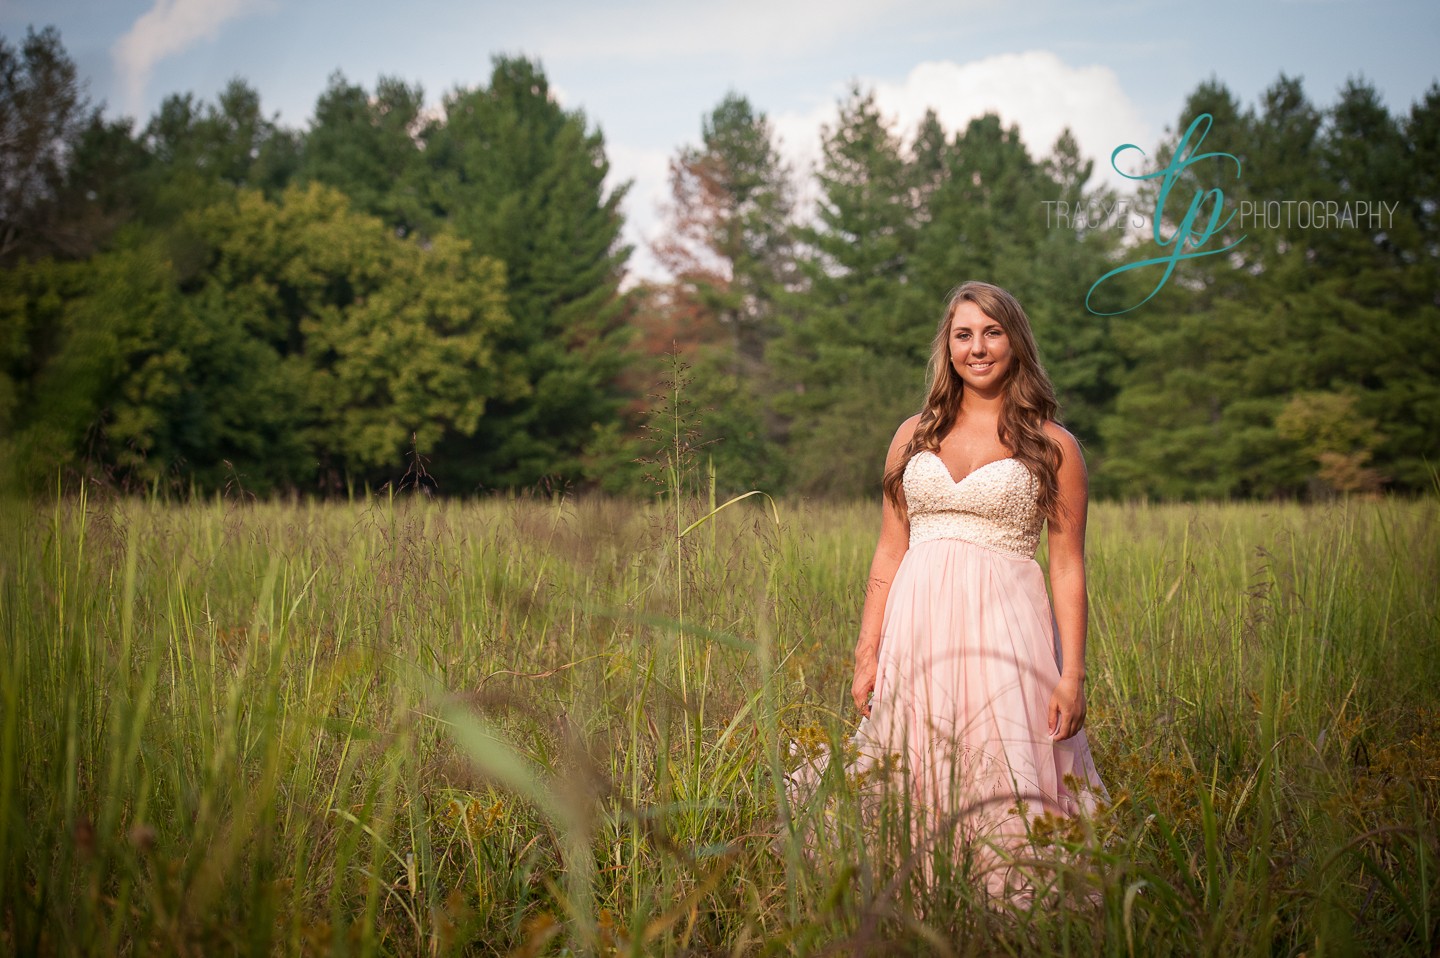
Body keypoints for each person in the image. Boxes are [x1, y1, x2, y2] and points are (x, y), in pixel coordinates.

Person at [786, 280, 1108, 901]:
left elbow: (1068, 565)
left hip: (1006, 636)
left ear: (1015, 342)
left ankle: (1012, 912)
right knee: (912, 765)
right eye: (964, 335)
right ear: (948, 346)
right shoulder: (914, 435)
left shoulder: (1053, 445)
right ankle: (918, 907)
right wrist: (866, 650)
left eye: (992, 332)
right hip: (918, 633)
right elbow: (889, 548)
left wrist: (1073, 675)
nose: (978, 348)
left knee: (1006, 775)